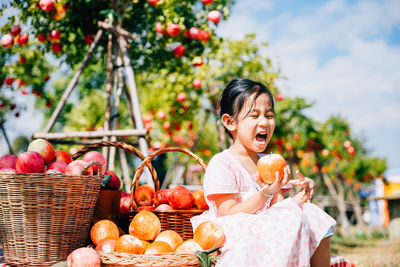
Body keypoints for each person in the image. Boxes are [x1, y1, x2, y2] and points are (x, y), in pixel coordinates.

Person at [191, 78, 336, 267]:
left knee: (310, 212)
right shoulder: (223, 163)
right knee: (290, 216)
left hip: (267, 231)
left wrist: (297, 200)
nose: (264, 122)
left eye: (269, 115)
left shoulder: (267, 162)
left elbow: (278, 208)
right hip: (238, 235)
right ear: (230, 122)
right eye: (254, 116)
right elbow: (227, 214)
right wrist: (265, 193)